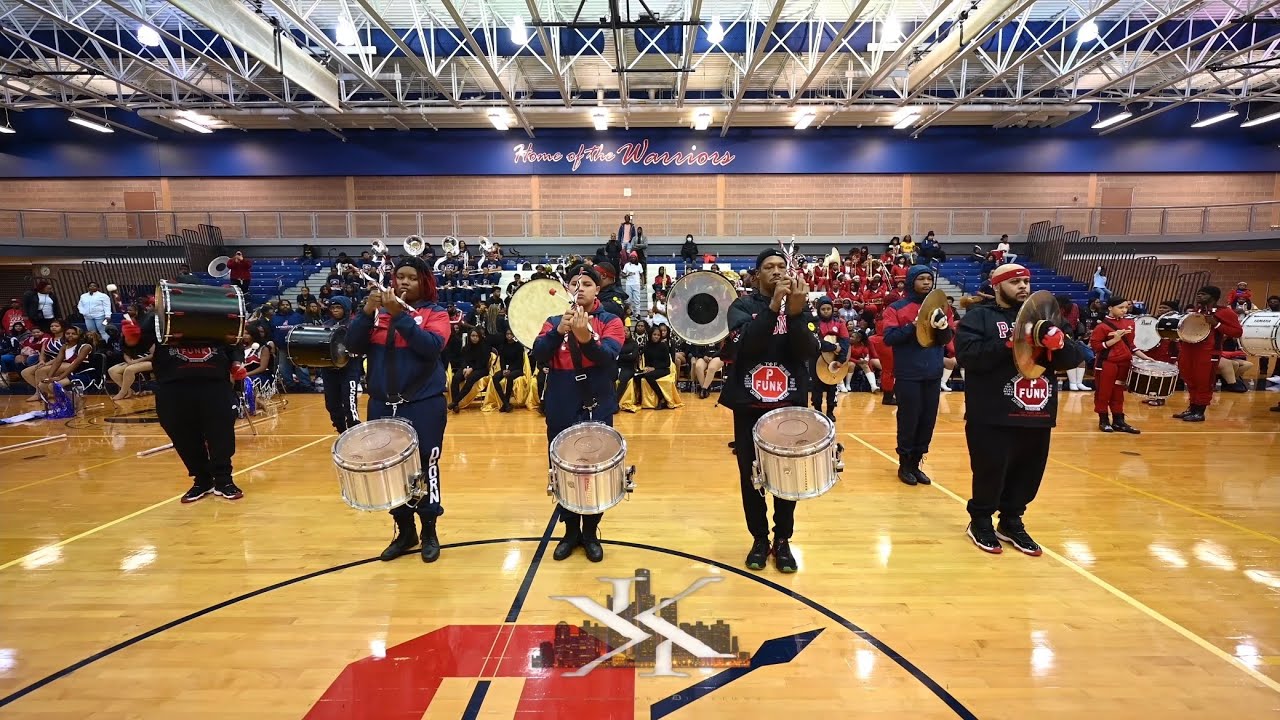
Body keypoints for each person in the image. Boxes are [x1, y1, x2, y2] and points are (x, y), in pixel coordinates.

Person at [956, 263, 1085, 556]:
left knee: (1028, 472)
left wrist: (1059, 342)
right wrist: (1012, 342)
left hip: (1036, 409)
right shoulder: (980, 317)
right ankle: (981, 521)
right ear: (997, 285)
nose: (1023, 287)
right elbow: (968, 356)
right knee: (990, 470)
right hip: (991, 411)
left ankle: (1011, 521)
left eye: (1026, 281)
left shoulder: (1047, 319)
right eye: (1015, 282)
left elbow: (1075, 357)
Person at [346, 256, 451, 563]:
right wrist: (367, 313)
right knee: (388, 470)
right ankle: (405, 531)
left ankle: (428, 529)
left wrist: (400, 317)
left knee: (424, 467)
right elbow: (353, 346)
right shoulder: (377, 314)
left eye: (411, 277)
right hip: (381, 404)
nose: (403, 282)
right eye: (399, 276)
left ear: (425, 282)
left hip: (423, 405)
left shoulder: (436, 312)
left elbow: (431, 347)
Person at [718, 249, 817, 574]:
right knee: (752, 478)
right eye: (768, 267)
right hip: (750, 406)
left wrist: (798, 315)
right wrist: (776, 308)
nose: (776, 272)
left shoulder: (800, 307)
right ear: (757, 274)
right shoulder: (742, 307)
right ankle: (759, 539)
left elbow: (808, 352)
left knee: (787, 479)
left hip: (788, 407)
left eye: (780, 267)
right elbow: (744, 347)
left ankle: (783, 540)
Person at [532, 264, 626, 563]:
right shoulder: (553, 321)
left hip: (595, 400)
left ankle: (591, 532)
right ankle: (570, 530)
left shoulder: (611, 321)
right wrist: (559, 331)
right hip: (561, 398)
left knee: (595, 467)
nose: (581, 287)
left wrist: (586, 337)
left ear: (598, 289)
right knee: (563, 467)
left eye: (587, 283)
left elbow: (608, 358)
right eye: (575, 282)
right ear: (567, 289)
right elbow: (538, 354)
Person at [124, 306, 243, 503]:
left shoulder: (216, 316)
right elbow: (136, 346)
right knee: (182, 435)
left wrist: (237, 364)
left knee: (221, 434)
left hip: (214, 385)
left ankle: (224, 480)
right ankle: (202, 480)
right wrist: (130, 339)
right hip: (172, 386)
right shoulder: (157, 318)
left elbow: (234, 346)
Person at [881, 266, 953, 486]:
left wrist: (942, 327)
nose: (926, 283)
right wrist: (915, 326)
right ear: (911, 280)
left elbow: (946, 341)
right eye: (921, 278)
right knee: (909, 419)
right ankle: (904, 464)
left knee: (927, 420)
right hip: (908, 373)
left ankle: (916, 463)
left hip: (932, 373)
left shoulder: (941, 308)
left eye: (929, 279)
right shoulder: (896, 308)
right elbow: (889, 338)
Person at [1173, 286, 1243, 422]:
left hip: (1209, 351)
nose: (1199, 296)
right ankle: (1192, 408)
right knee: (1189, 379)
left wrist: (1216, 325)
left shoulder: (1225, 312)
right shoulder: (1196, 311)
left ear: (1213, 297)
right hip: (1189, 349)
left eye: (1203, 294)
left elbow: (1237, 332)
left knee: (1203, 381)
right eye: (1198, 294)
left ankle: (1200, 411)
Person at [1089, 296, 1151, 434]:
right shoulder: (1101, 326)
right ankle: (1103, 420)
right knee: (1104, 393)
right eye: (1120, 307)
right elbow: (1096, 347)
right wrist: (1114, 339)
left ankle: (1119, 421)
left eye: (1126, 307)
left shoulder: (1130, 323)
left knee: (1118, 393)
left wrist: (1147, 359)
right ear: (1110, 308)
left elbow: (1131, 346)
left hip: (1124, 363)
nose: (1124, 310)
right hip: (1106, 364)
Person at [319, 297, 362, 433]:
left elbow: (362, 345)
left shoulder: (355, 324)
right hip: (329, 370)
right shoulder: (325, 325)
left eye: (339, 308)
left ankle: (354, 429)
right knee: (331, 404)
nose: (335, 310)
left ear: (346, 309)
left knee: (350, 403)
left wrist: (355, 350)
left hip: (349, 368)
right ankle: (341, 430)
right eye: (332, 308)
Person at [810, 297, 848, 421]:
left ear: (832, 309)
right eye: (823, 309)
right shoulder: (813, 323)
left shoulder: (839, 323)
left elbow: (845, 342)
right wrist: (832, 347)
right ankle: (818, 411)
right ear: (818, 310)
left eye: (828, 309)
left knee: (833, 387)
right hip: (816, 359)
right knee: (817, 387)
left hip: (834, 360)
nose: (826, 311)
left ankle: (830, 411)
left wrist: (841, 360)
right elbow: (815, 341)